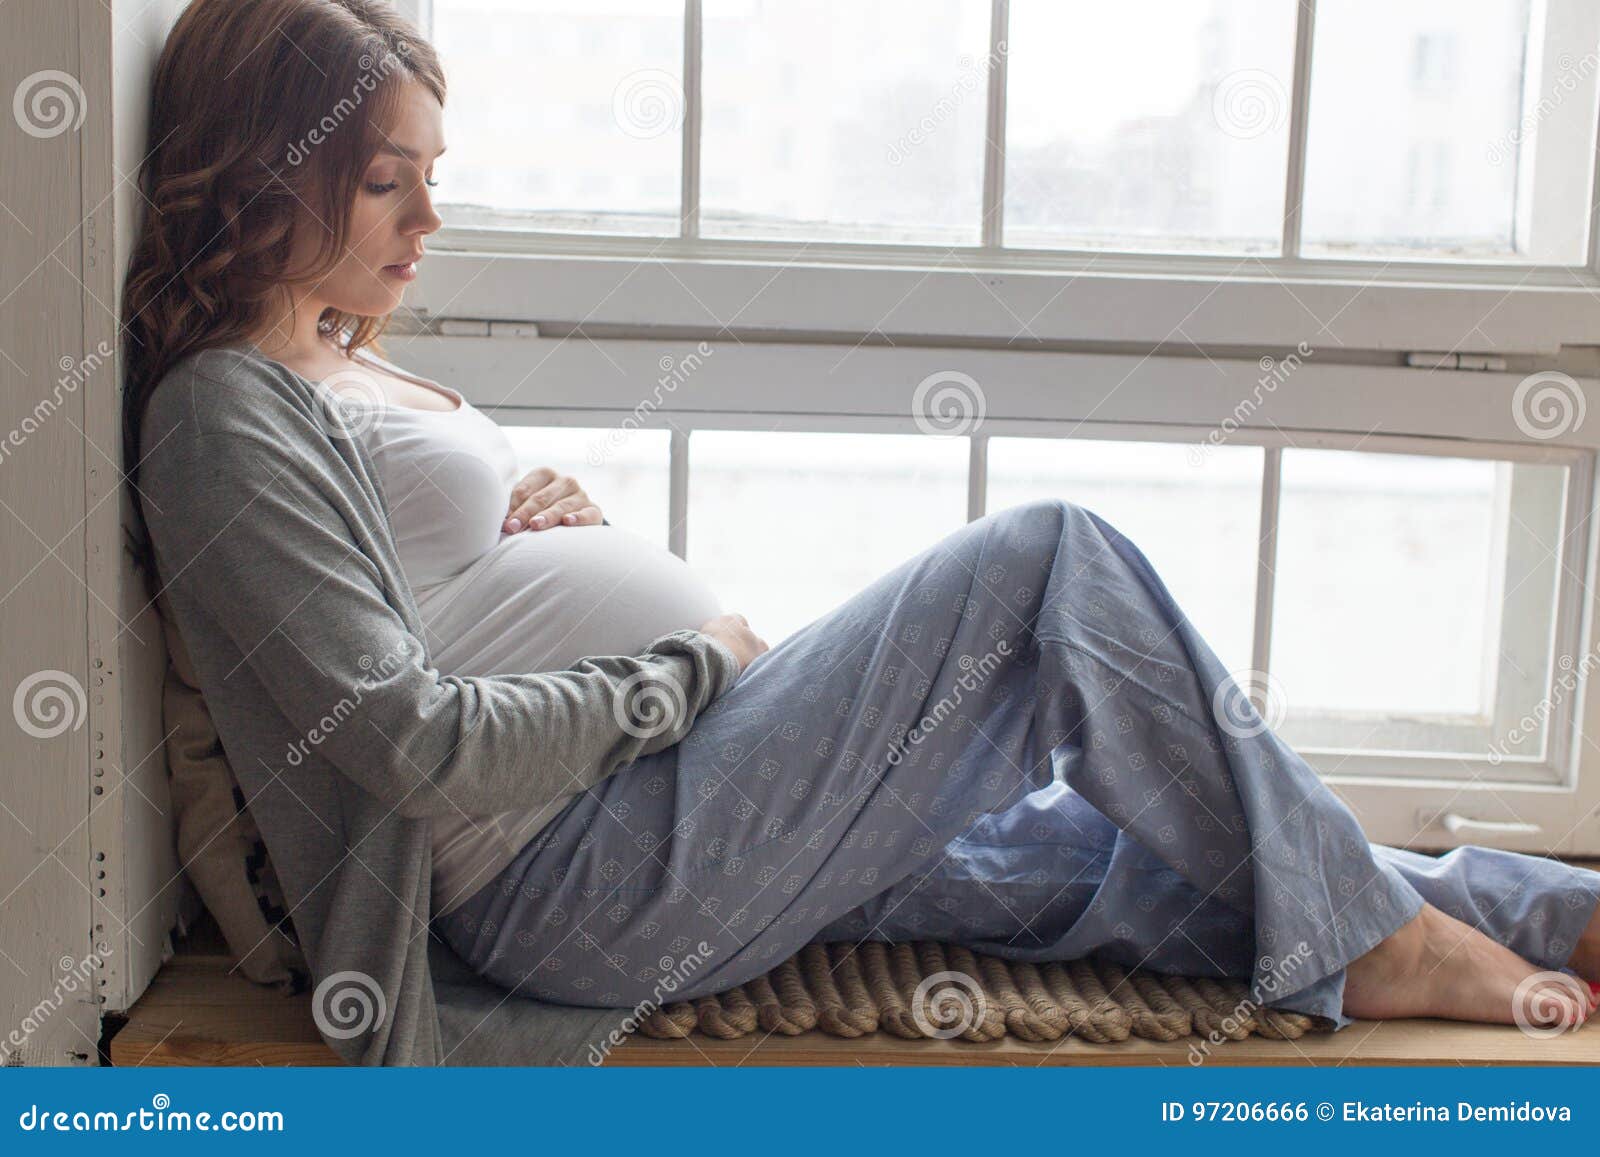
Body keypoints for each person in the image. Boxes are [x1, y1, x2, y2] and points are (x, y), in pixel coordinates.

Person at [123, 0, 1600, 1035]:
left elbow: (406, 589)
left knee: (1081, 842)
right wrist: (686, 665)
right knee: (1048, 567)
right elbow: (405, 740)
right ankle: (1386, 942)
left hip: (658, 795)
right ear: (272, 167)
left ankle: (1535, 915)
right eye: (387, 184)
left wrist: (540, 522)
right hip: (571, 871)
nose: (428, 224)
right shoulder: (219, 411)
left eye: (430, 181)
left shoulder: (336, 359)